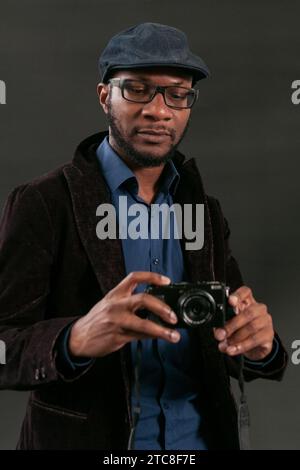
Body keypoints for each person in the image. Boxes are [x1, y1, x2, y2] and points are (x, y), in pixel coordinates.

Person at [0, 22, 287, 450]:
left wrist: (260, 346)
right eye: (137, 89)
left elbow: (227, 327)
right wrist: (75, 337)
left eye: (177, 93)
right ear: (104, 97)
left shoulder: (205, 211)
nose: (159, 110)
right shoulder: (44, 203)